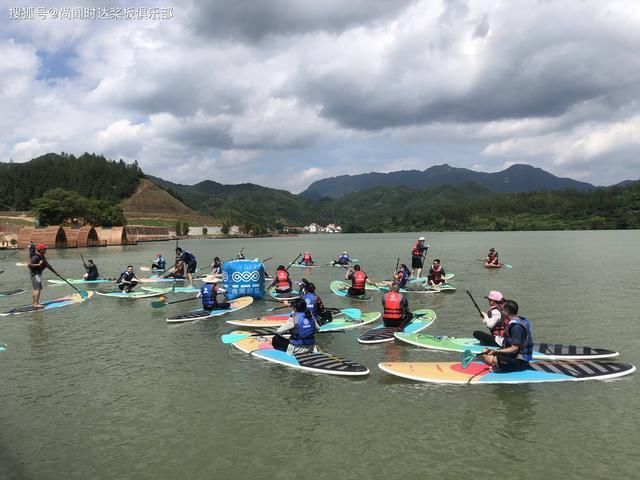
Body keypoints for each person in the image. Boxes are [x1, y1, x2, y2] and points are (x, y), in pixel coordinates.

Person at [480, 300, 533, 373]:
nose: (501, 312)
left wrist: (496, 351)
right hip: (513, 355)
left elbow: (514, 349)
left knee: (495, 359)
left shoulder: (516, 327)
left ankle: (499, 366)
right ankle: (498, 363)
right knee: (485, 351)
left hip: (521, 361)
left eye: (502, 310)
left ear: (507, 312)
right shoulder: (521, 320)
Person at [28, 243, 49, 308]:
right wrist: (38, 265)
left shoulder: (41, 256)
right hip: (35, 274)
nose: (46, 250)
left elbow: (47, 264)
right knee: (38, 289)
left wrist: (56, 272)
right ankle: (36, 304)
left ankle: (34, 303)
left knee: (35, 289)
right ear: (41, 250)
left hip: (36, 274)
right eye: (44, 249)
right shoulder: (36, 256)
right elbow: (29, 265)